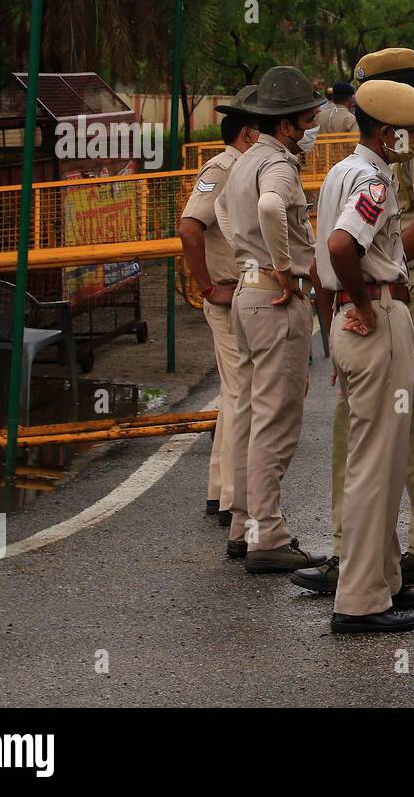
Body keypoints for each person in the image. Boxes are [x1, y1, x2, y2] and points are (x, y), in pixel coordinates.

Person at [293, 47, 414, 596]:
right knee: (404, 416)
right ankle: (412, 550)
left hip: (405, 285)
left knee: (366, 426)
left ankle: (356, 554)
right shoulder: (373, 167)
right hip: (389, 286)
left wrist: (380, 280)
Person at [315, 79, 414, 634]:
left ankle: (383, 579)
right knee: (375, 465)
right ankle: (361, 600)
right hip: (376, 316)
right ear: (387, 133)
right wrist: (363, 303)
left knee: (378, 457)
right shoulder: (371, 180)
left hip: (353, 320)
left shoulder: (343, 170)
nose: (411, 142)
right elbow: (343, 247)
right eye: (405, 134)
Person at [215, 65, 328, 574]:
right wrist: (283, 267)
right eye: (305, 122)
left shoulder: (243, 160)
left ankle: (243, 523)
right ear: (285, 125)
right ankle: (267, 532)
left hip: (246, 292)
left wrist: (254, 260)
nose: (309, 131)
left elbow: (220, 209)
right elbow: (269, 207)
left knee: (249, 413)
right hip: (274, 298)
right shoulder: (278, 167)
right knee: (276, 420)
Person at [177, 85, 258, 529]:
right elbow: (189, 228)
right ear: (248, 134)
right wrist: (207, 287)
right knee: (240, 394)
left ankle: (220, 491)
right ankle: (231, 498)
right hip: (228, 296)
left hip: (242, 292)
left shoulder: (242, 168)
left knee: (235, 394)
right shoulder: (223, 168)